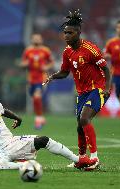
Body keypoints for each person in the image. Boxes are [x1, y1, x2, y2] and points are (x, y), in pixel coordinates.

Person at [0, 91, 97, 170]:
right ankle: (25, 166)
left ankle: (78, 160)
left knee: (43, 140)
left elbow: (4, 111)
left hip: (13, 142)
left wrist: (18, 119)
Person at [43, 10, 111, 170]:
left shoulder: (91, 49)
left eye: (70, 33)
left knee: (84, 119)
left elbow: (106, 69)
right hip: (82, 92)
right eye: (65, 32)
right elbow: (65, 72)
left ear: (78, 33)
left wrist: (107, 88)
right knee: (79, 127)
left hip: (98, 89)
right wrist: (52, 77)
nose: (66, 35)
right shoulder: (67, 51)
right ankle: (82, 159)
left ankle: (94, 159)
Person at [20, 33, 54, 129]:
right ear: (32, 40)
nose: (36, 40)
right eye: (34, 38)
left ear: (41, 40)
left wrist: (46, 67)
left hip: (41, 78)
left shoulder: (45, 50)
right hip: (31, 79)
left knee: (37, 96)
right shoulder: (28, 51)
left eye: (38, 38)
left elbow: (51, 62)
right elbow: (22, 63)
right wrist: (25, 64)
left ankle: (38, 120)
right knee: (34, 98)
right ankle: (41, 117)